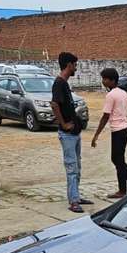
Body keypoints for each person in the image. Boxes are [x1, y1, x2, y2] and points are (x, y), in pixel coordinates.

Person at [51, 51, 93, 213]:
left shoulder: (65, 83)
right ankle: (73, 201)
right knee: (71, 167)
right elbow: (54, 104)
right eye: (75, 65)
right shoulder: (59, 83)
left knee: (77, 165)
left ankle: (76, 195)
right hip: (67, 134)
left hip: (74, 133)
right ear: (69, 65)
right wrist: (63, 123)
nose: (76, 68)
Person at [91, 67, 127, 199]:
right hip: (124, 129)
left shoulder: (111, 95)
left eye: (105, 79)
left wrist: (96, 134)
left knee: (118, 160)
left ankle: (123, 190)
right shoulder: (122, 92)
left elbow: (105, 116)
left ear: (112, 80)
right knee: (117, 159)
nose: (103, 81)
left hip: (119, 130)